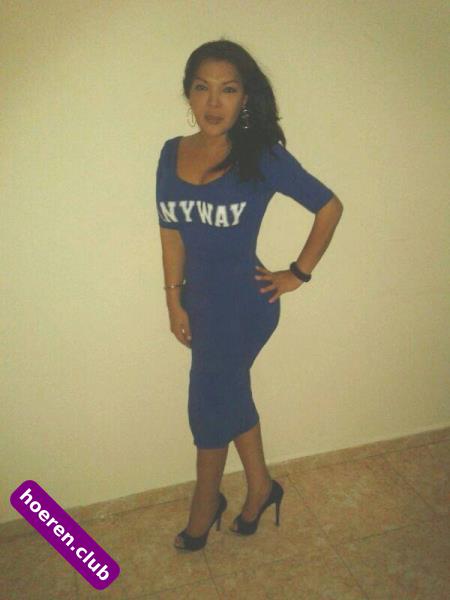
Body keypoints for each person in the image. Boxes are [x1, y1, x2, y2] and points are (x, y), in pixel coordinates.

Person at [155, 39, 343, 552]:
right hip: (200, 304)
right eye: (203, 88)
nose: (214, 102)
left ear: (244, 98)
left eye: (229, 89)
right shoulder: (170, 153)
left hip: (244, 304)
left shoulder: (261, 155)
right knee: (230, 394)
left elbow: (329, 208)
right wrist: (173, 300)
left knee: (207, 403)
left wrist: (297, 274)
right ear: (188, 94)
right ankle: (261, 487)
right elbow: (171, 233)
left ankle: (205, 503)